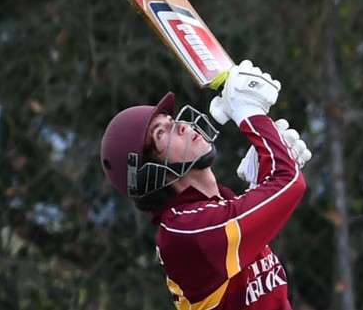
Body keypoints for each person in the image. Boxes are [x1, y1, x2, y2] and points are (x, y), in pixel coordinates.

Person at [100, 60, 311, 310]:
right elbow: (290, 182)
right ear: (151, 174)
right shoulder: (186, 230)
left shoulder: (215, 207)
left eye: (172, 119)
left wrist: (261, 182)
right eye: (161, 133)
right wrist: (250, 113)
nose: (180, 126)